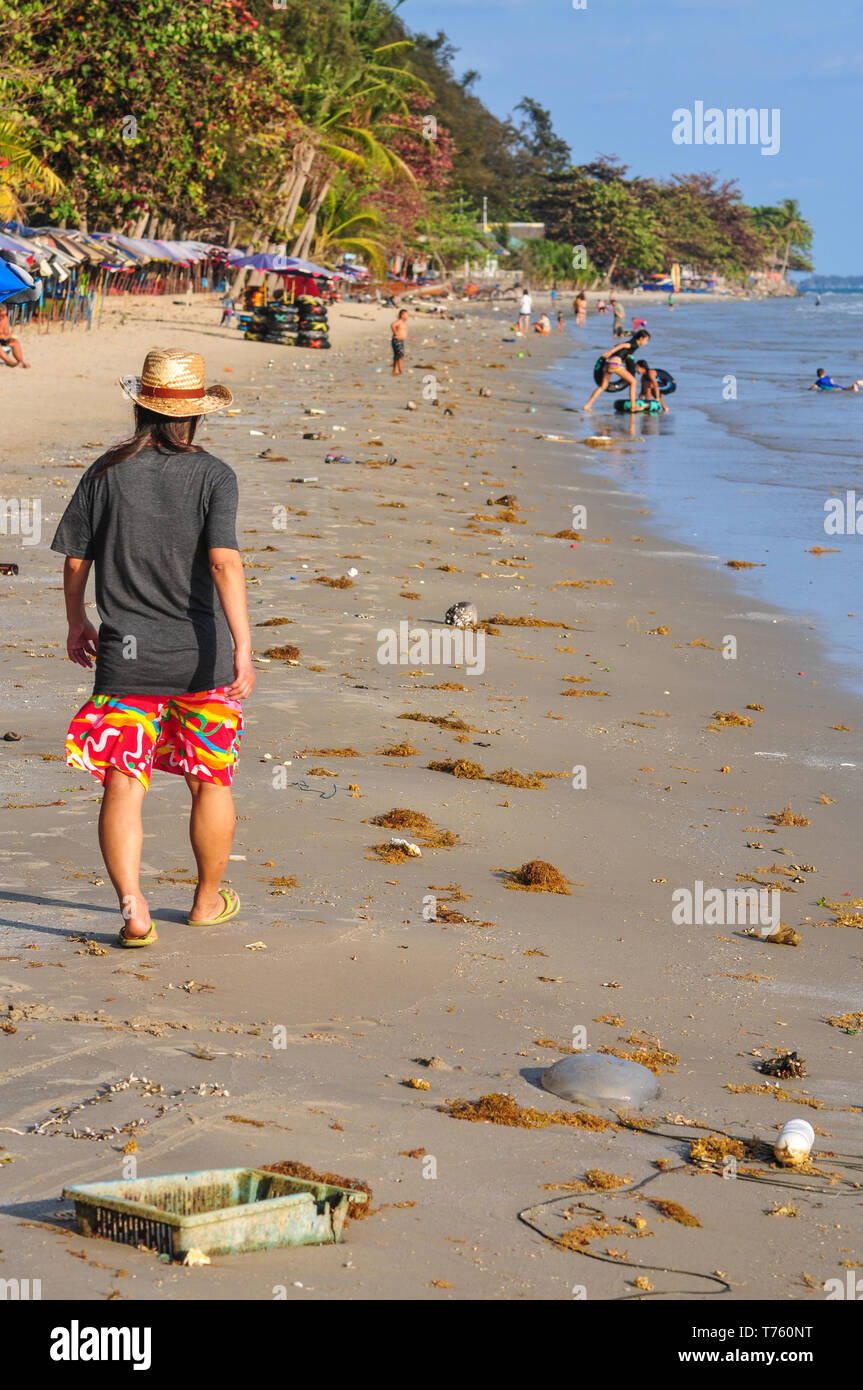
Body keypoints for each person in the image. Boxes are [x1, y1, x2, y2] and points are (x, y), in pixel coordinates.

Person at [50, 349, 255, 947]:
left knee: (123, 778)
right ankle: (205, 900)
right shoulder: (215, 475)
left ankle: (134, 909)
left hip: (126, 654)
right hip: (203, 654)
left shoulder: (105, 471)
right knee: (209, 779)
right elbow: (223, 562)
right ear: (194, 416)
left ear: (141, 405)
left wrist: (75, 622)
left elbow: (75, 559)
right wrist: (244, 646)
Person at [583, 328, 650, 412]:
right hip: (615, 363)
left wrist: (617, 351)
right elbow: (622, 346)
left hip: (608, 363)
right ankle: (633, 406)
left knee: (603, 386)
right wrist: (610, 352)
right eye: (646, 340)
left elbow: (620, 345)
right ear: (641, 338)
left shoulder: (631, 342)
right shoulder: (634, 344)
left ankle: (588, 405)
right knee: (634, 381)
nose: (646, 343)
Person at [391, 307, 408, 375]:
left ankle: (395, 370)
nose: (407, 316)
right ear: (402, 315)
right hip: (397, 340)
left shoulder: (403, 322)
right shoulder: (399, 321)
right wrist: (395, 333)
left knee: (397, 355)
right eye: (406, 315)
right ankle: (400, 369)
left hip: (400, 340)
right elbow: (393, 325)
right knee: (400, 355)